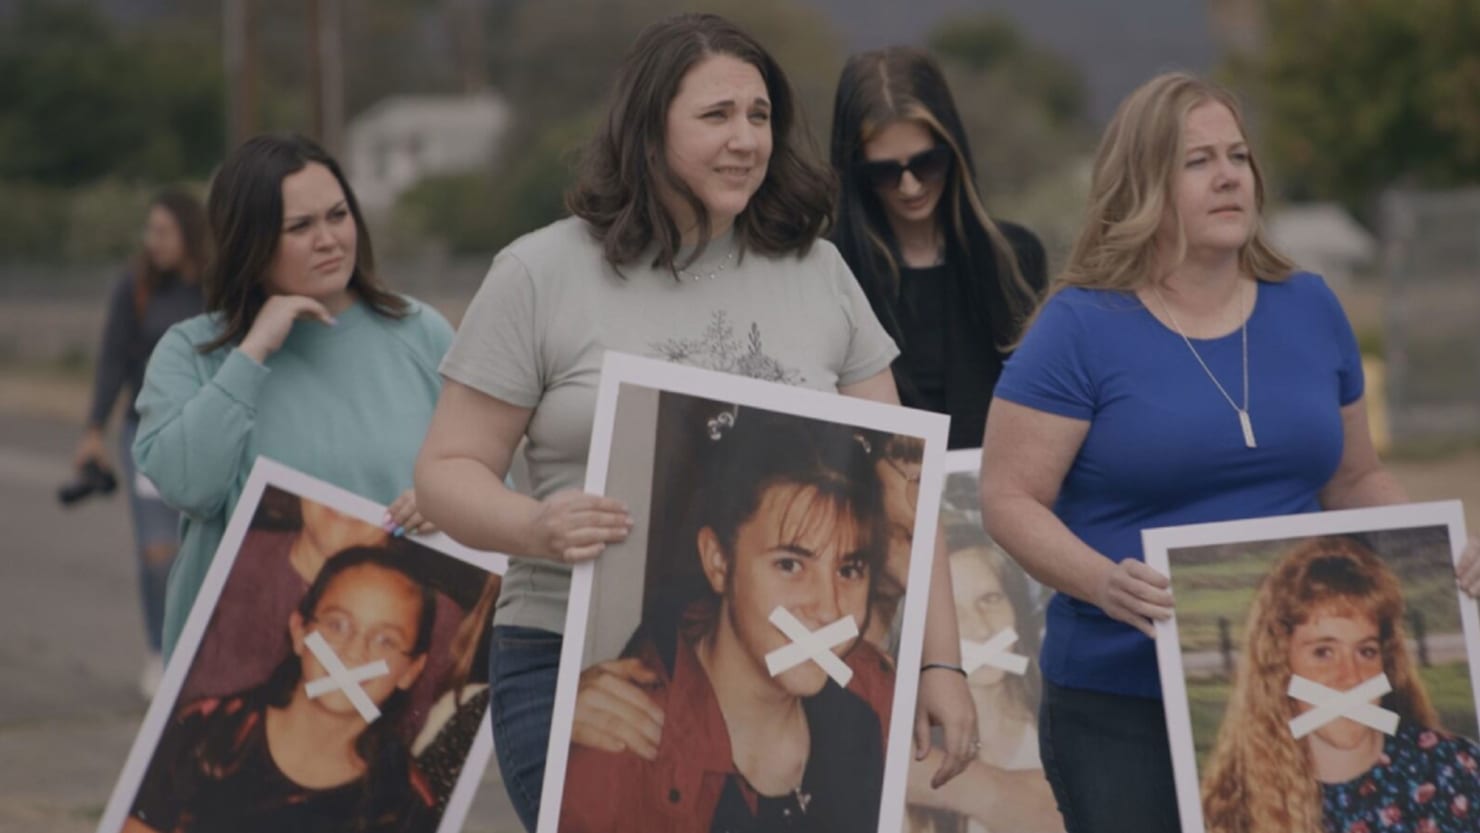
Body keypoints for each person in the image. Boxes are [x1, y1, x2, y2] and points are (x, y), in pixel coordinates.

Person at [414, 13, 977, 831]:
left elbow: (912, 492)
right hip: (574, 669)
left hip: (802, 689)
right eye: (716, 115)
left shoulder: (819, 272)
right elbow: (446, 468)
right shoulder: (539, 272)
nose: (746, 138)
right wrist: (535, 524)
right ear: (646, 129)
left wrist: (941, 661)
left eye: (759, 115)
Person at [978, 71, 1436, 833]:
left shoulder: (1311, 305)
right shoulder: (1081, 325)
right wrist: (1101, 582)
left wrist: (1433, 554)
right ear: (1142, 184)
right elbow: (1008, 496)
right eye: (1197, 161)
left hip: (1294, 695)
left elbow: (1355, 476)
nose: (1228, 176)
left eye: (1238, 156)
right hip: (1122, 702)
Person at [133, 134, 451, 659]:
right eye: (300, 227)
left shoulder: (420, 333)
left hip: (392, 667)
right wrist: (254, 350)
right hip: (239, 671)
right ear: (249, 242)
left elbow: (487, 485)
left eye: (337, 215)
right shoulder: (192, 351)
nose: (328, 239)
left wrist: (448, 504)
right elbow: (188, 486)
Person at [559, 408, 895, 832]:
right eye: (790, 564)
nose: (829, 609)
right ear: (719, 563)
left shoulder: (876, 698)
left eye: (849, 570)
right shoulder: (616, 755)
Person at [124, 546, 438, 833]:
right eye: (337, 624)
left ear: (411, 670)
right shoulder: (207, 732)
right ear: (300, 630)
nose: (355, 653)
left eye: (386, 640)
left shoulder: (403, 803)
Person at [829, 46, 1046, 450]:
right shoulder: (829, 272)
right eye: (884, 171)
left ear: (954, 150)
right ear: (855, 173)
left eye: (927, 163)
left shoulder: (1016, 257)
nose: (910, 186)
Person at [1201, 535, 1480, 833]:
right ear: (1280, 667)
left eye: (1366, 651)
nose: (1351, 676)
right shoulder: (1232, 807)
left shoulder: (1451, 771)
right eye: (1323, 652)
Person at [71, 188, 209, 697]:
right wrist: (92, 430)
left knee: (207, 550)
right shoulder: (137, 287)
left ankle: (205, 649)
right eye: (149, 231)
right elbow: (112, 360)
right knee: (158, 551)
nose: (153, 242)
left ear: (189, 233)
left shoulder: (217, 288)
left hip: (206, 434)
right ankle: (161, 650)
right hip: (146, 435)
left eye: (163, 231)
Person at [904, 538, 1064, 833]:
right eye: (951, 612)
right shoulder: (903, 759)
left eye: (990, 599)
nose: (981, 628)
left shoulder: (1066, 727)